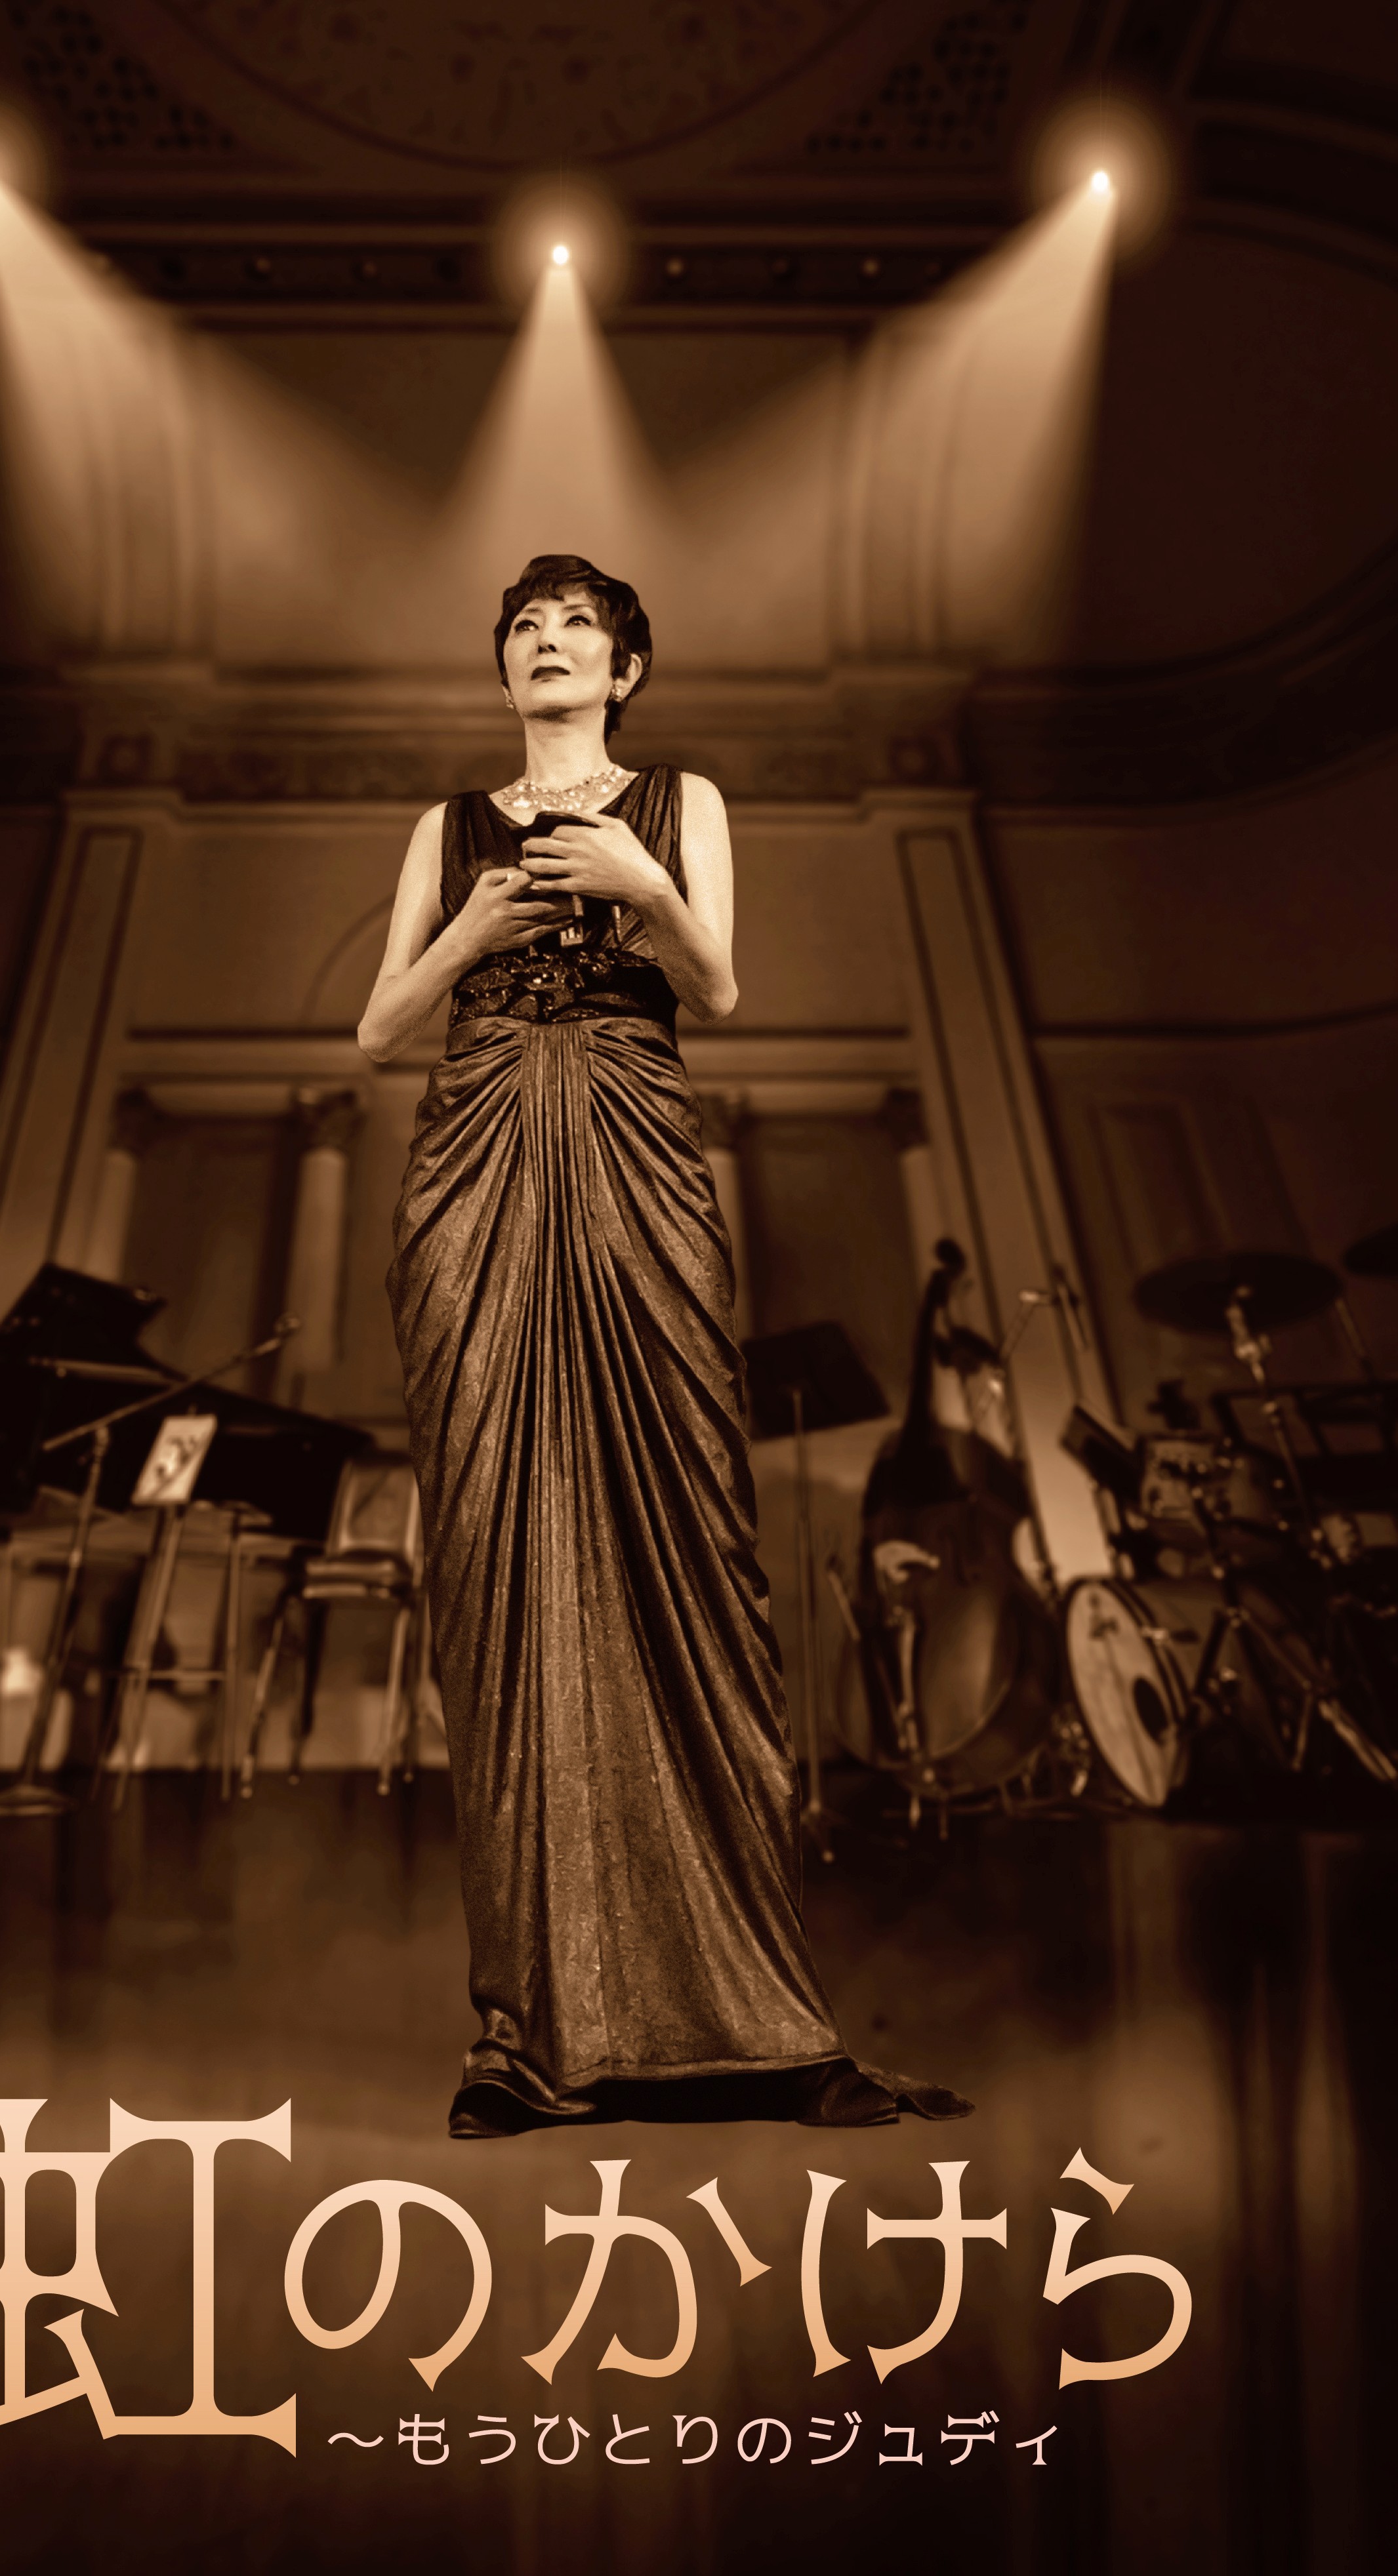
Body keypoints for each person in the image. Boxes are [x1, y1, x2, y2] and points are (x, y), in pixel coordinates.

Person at [359, 553, 969, 2137]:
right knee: (497, 1559)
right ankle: (527, 2032)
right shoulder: (446, 825)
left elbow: (720, 984)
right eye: (525, 625)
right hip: (475, 1159)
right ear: (504, 666)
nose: (546, 641)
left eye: (578, 625)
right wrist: (469, 927)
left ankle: (754, 2018)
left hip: (632, 1143)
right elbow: (374, 1029)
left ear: (625, 669)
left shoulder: (680, 800)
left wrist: (642, 885)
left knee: (686, 1538)